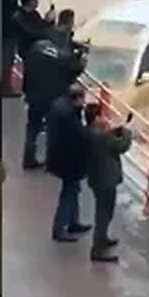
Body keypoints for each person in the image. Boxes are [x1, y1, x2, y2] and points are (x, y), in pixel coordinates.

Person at [45, 84, 92, 242]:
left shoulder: (59, 106)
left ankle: (73, 222)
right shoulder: (68, 115)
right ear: (77, 98)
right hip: (69, 161)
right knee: (68, 194)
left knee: (73, 190)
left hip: (59, 157)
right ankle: (60, 229)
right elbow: (79, 136)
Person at [85, 107, 132, 262]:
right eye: (102, 116)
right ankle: (98, 250)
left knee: (103, 211)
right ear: (97, 118)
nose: (105, 118)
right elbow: (121, 146)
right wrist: (127, 132)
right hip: (106, 179)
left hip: (96, 178)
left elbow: (107, 138)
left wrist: (113, 130)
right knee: (104, 213)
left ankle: (102, 239)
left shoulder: (90, 133)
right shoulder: (102, 136)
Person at [21, 36, 68, 170]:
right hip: (50, 99)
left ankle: (28, 158)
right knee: (52, 129)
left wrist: (25, 91)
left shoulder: (34, 50)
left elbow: (27, 73)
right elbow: (71, 70)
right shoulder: (59, 55)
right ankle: (51, 161)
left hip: (33, 97)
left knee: (32, 127)